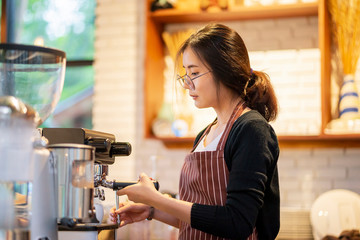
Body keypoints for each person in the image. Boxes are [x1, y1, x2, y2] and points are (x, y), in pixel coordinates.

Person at [110, 23, 280, 240]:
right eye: (185, 74)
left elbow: (237, 223)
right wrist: (152, 211)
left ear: (225, 69)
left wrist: (156, 199)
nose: (187, 84)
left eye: (195, 73)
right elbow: (203, 220)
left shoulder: (251, 130)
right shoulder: (205, 134)